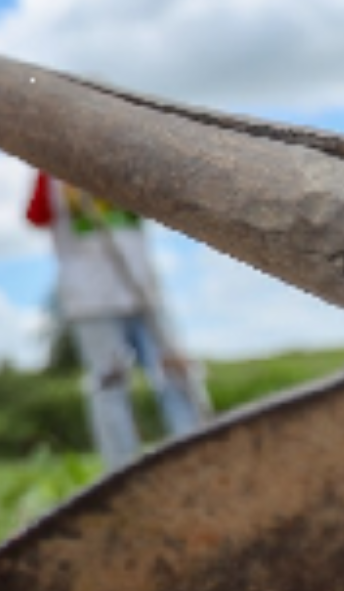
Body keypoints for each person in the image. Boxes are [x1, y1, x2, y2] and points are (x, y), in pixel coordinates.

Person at [25, 170, 208, 472]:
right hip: (91, 297)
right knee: (109, 381)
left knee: (174, 371)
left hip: (143, 289)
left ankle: (198, 448)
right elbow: (36, 216)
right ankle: (121, 466)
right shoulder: (51, 173)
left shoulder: (122, 160)